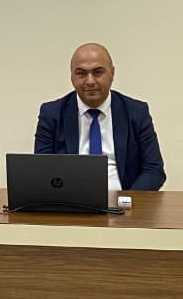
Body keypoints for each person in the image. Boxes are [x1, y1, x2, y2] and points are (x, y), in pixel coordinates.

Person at [34, 42, 165, 191]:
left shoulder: (136, 112)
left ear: (112, 73)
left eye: (98, 72)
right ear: (72, 78)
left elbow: (154, 170)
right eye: (81, 73)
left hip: (124, 198)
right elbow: (42, 170)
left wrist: (127, 200)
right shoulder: (52, 114)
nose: (90, 81)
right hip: (70, 198)